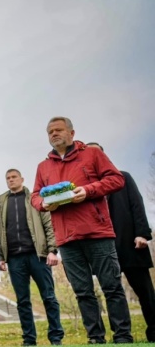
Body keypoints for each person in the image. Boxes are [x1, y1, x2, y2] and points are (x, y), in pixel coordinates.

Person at [31, 117, 132, 344]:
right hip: (66, 238)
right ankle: (95, 337)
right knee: (83, 291)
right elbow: (35, 195)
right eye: (50, 132)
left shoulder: (92, 155)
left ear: (72, 133)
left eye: (59, 130)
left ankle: (123, 336)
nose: (54, 134)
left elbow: (117, 179)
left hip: (97, 232)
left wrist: (88, 190)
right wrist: (44, 204)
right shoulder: (43, 167)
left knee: (111, 286)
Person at [87, 142, 155, 342]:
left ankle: (154, 331)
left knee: (145, 292)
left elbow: (137, 204)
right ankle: (123, 335)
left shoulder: (122, 177)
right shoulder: (86, 188)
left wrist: (143, 234)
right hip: (104, 249)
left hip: (131, 244)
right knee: (113, 293)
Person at [0, 169, 64, 346]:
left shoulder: (35, 199)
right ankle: (29, 340)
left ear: (22, 179)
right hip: (15, 259)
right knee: (23, 301)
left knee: (49, 297)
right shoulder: (1, 204)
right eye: (8, 178)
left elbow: (49, 225)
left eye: (14, 177)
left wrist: (52, 250)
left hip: (37, 256)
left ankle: (56, 337)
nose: (11, 180)